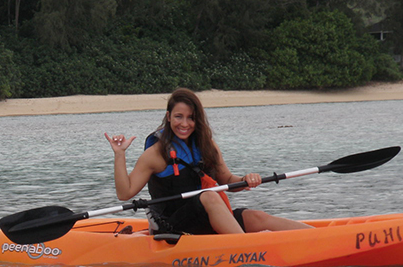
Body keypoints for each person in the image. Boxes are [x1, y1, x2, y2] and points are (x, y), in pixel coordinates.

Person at [105, 88, 312, 235]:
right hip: (174, 224)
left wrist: (246, 179)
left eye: (191, 118)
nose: (184, 124)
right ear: (168, 117)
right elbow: (125, 193)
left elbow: (227, 180)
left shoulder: (206, 145)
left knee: (256, 216)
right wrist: (120, 154)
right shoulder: (156, 153)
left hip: (206, 216)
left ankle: (318, 236)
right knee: (210, 197)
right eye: (178, 117)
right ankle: (247, 246)